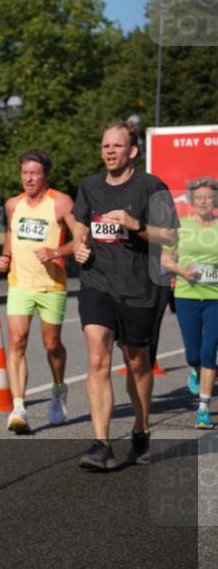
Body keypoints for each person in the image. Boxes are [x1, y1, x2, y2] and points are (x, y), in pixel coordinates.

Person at [72, 120, 179, 470]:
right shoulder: (89, 187)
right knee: (97, 357)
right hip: (97, 283)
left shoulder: (151, 186)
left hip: (139, 288)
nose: (109, 152)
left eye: (116, 146)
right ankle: (101, 443)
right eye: (105, 146)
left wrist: (137, 226)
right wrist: (79, 244)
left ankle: (141, 429)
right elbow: (79, 223)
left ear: (132, 151)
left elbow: (171, 236)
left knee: (137, 363)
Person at [0, 149, 76, 434]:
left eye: (34, 173)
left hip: (52, 285)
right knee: (17, 341)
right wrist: (4, 259)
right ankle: (19, 407)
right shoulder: (13, 205)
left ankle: (58, 388)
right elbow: (9, 234)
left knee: (52, 345)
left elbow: (80, 240)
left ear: (45, 176)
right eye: (25, 173)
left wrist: (55, 251)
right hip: (19, 284)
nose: (28, 178)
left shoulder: (61, 203)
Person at [161, 177, 218, 429]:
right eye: (199, 197)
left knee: (209, 351)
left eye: (209, 197)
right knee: (193, 353)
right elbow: (165, 259)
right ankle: (194, 369)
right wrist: (182, 271)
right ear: (192, 201)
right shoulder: (180, 227)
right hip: (186, 295)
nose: (204, 201)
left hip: (215, 297)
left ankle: (203, 408)